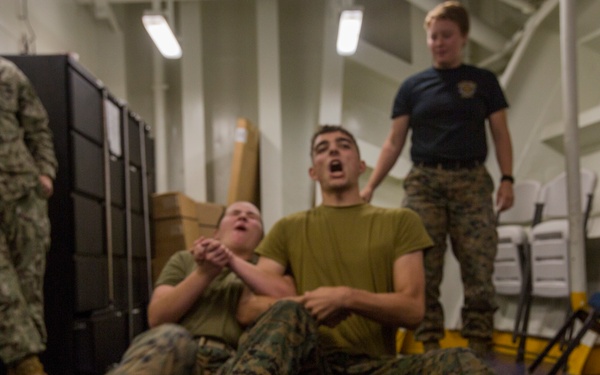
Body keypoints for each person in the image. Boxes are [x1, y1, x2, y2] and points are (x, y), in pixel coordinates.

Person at [215, 125, 495, 374]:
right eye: (322, 149)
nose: (334, 151)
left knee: (461, 362)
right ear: (313, 172)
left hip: (374, 365)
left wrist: (347, 298)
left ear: (361, 166)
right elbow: (249, 308)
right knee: (288, 310)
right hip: (311, 362)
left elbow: (413, 310)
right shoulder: (288, 228)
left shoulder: (400, 222)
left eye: (344, 145)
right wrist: (307, 305)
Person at [359, 1, 514, 357]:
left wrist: (507, 178)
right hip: (425, 183)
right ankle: (430, 347)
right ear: (427, 40)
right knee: (421, 268)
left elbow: (501, 134)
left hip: (472, 181)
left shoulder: (484, 82)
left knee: (479, 266)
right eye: (433, 37)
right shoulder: (413, 87)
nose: (440, 42)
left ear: (463, 38)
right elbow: (394, 141)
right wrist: (370, 186)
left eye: (447, 36)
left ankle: (478, 347)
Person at [107, 201, 277, 375]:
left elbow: (286, 302)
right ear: (216, 233)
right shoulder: (185, 259)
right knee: (168, 336)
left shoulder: (266, 270)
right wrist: (204, 273)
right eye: (234, 213)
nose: (242, 217)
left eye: (252, 216)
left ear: (262, 239)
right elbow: (157, 318)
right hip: (181, 352)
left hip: (235, 361)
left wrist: (231, 260)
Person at [0, 56, 58, 375]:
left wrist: (46, 174)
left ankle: (30, 361)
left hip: (22, 197)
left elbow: (38, 128)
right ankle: (27, 365)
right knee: (4, 290)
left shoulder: (8, 73)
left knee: (28, 289)